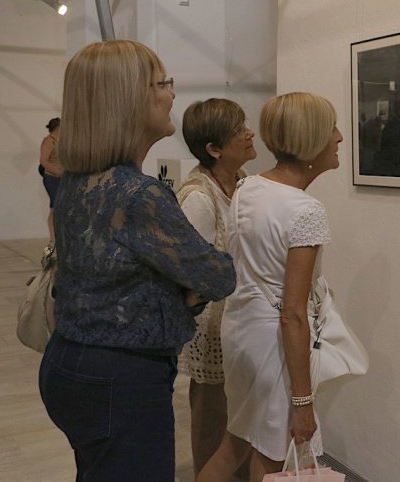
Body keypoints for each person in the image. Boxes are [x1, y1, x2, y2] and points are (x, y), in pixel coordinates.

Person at [38, 40, 237, 481]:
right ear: (128, 98)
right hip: (120, 380)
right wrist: (179, 292)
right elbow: (219, 275)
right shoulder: (138, 194)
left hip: (69, 363)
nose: (171, 94)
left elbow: (106, 273)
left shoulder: (77, 180)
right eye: (162, 83)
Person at [197, 92, 343, 482]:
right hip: (273, 346)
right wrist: (303, 402)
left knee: (236, 445)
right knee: (273, 458)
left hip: (241, 331)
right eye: (332, 129)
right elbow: (292, 314)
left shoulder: (250, 187)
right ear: (311, 139)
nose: (340, 137)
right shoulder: (305, 210)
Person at [178, 98, 257, 479]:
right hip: (213, 332)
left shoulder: (243, 185)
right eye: (240, 130)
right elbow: (193, 279)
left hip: (239, 327)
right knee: (213, 424)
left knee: (240, 422)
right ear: (214, 149)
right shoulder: (198, 197)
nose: (250, 133)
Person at [39, 117, 62, 242]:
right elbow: (43, 161)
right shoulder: (49, 141)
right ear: (58, 127)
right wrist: (58, 171)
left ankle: (57, 236)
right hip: (52, 179)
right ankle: (53, 238)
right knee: (54, 207)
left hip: (61, 179)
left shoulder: (59, 141)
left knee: (56, 208)